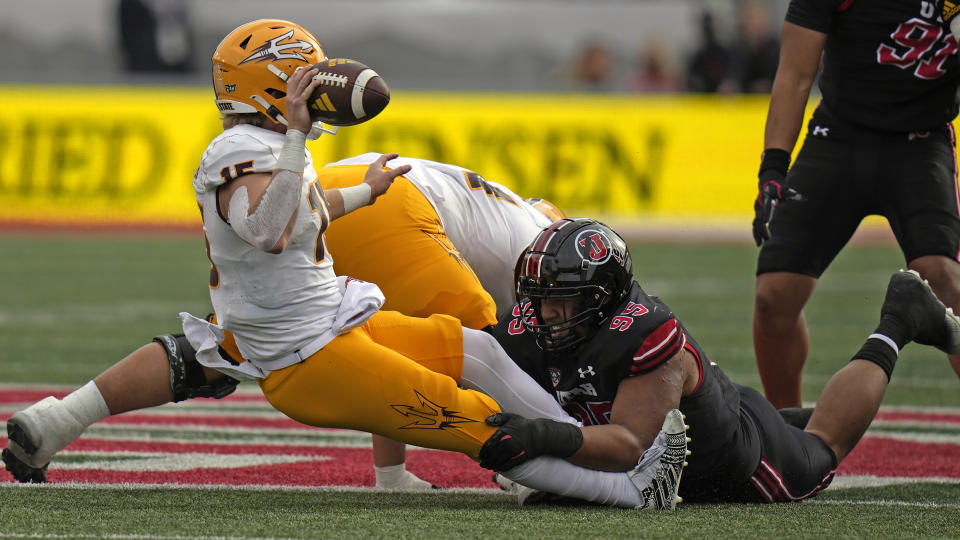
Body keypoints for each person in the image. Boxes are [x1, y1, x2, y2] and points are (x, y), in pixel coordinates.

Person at [3, 19, 685, 510]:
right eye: (302, 75)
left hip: (313, 319)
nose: (317, 84)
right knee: (478, 421)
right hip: (307, 352)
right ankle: (626, 491)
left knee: (476, 352)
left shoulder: (258, 148)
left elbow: (299, 208)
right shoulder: (245, 152)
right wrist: (299, 134)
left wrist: (363, 191)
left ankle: (57, 422)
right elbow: (271, 228)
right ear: (271, 87)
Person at [478, 217, 960, 503]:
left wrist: (541, 435)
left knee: (823, 443)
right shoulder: (535, 321)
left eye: (565, 300)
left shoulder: (646, 333)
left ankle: (898, 322)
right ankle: (786, 415)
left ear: (604, 300)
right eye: (540, 298)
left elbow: (630, 447)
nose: (547, 314)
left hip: (738, 459)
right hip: (712, 407)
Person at [751, 0, 960, 409]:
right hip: (839, 139)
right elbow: (795, 73)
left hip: (921, 143)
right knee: (773, 296)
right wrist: (773, 168)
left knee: (945, 280)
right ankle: (785, 436)